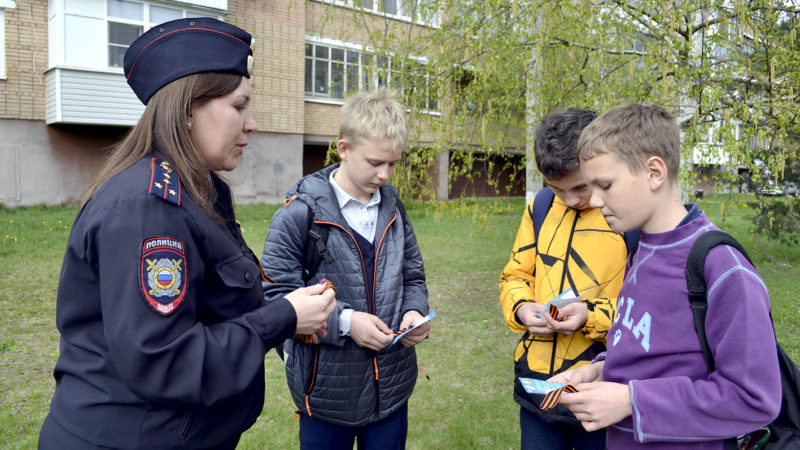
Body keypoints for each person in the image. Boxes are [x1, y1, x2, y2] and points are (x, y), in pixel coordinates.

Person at [38, 18, 336, 449]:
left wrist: (295, 312)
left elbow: (217, 303)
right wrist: (283, 317)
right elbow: (164, 361)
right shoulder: (148, 207)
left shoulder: (197, 189)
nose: (252, 123)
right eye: (239, 106)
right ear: (187, 110)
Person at [552, 103, 781, 448]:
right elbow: (646, 349)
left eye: (605, 185)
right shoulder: (640, 250)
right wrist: (599, 369)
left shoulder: (721, 268)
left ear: (655, 172)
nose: (594, 201)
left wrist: (631, 401)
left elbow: (753, 398)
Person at [260, 90, 429, 450]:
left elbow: (413, 274)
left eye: (393, 164)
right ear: (343, 149)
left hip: (392, 394)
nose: (384, 174)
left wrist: (414, 310)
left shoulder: (395, 210)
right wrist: (348, 324)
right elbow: (276, 303)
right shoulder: (297, 216)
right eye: (374, 162)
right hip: (325, 398)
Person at [498, 108, 633, 449]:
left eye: (579, 187)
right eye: (558, 190)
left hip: (601, 390)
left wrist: (590, 315)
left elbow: (647, 313)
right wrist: (522, 308)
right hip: (537, 387)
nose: (571, 200)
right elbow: (515, 274)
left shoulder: (628, 217)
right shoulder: (540, 208)